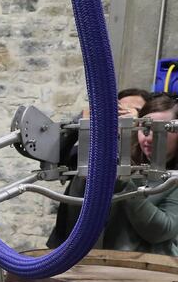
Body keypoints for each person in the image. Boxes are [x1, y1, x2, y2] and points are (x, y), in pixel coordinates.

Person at [47, 88, 151, 248]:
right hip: (70, 244)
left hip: (120, 251)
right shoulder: (92, 151)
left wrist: (137, 126)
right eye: (119, 110)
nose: (123, 115)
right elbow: (50, 160)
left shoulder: (150, 154)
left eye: (134, 110)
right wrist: (79, 121)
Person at [102, 93, 178, 256]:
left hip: (155, 271)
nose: (148, 138)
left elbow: (162, 230)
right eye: (145, 128)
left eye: (162, 130)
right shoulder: (132, 167)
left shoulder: (174, 178)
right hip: (108, 264)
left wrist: (122, 184)